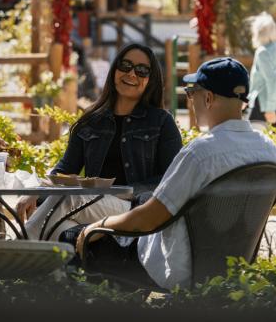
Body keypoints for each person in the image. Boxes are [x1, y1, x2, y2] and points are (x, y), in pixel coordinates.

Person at [74, 57, 276, 290]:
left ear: (208, 98)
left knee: (74, 238)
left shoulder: (201, 154)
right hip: (233, 271)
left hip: (175, 271)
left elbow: (148, 219)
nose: (190, 98)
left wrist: (97, 225)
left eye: (191, 91)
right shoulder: (271, 152)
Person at [16, 43, 183, 241]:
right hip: (94, 208)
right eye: (125, 65)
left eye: (141, 70)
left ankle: (10, 254)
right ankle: (32, 266)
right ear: (115, 70)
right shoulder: (91, 121)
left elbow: (171, 179)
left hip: (134, 209)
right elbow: (65, 168)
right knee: (57, 229)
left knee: (69, 198)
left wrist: (126, 192)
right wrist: (37, 191)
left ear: (150, 80)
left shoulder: (161, 122)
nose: (131, 74)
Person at [247, 12, 276, 126]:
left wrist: (270, 108)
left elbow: (271, 80)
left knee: (254, 140)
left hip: (265, 105)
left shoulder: (262, 52)